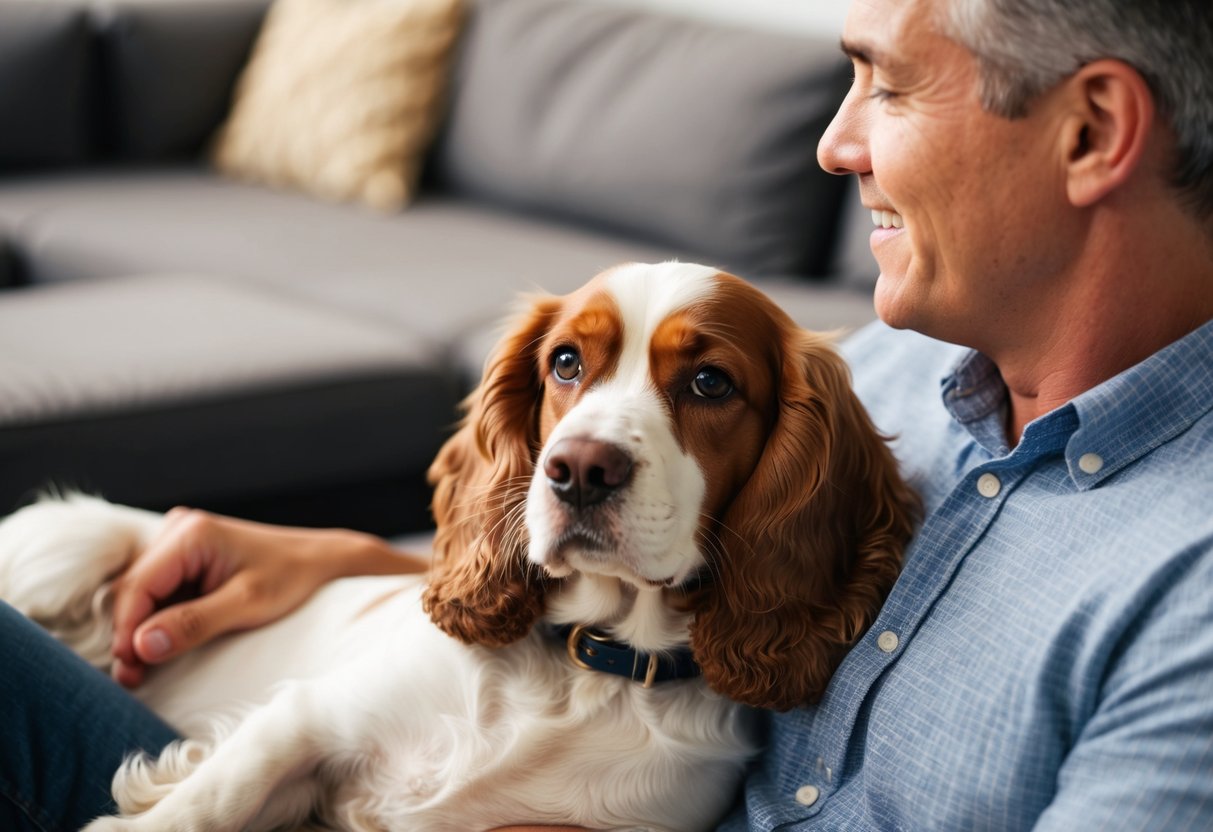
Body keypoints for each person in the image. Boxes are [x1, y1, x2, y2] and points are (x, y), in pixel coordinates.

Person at [2, 0, 1211, 829]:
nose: (836, 146)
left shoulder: (1185, 602)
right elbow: (611, 545)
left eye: (886, 86)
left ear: (1090, 130)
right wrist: (357, 561)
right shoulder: (891, 376)